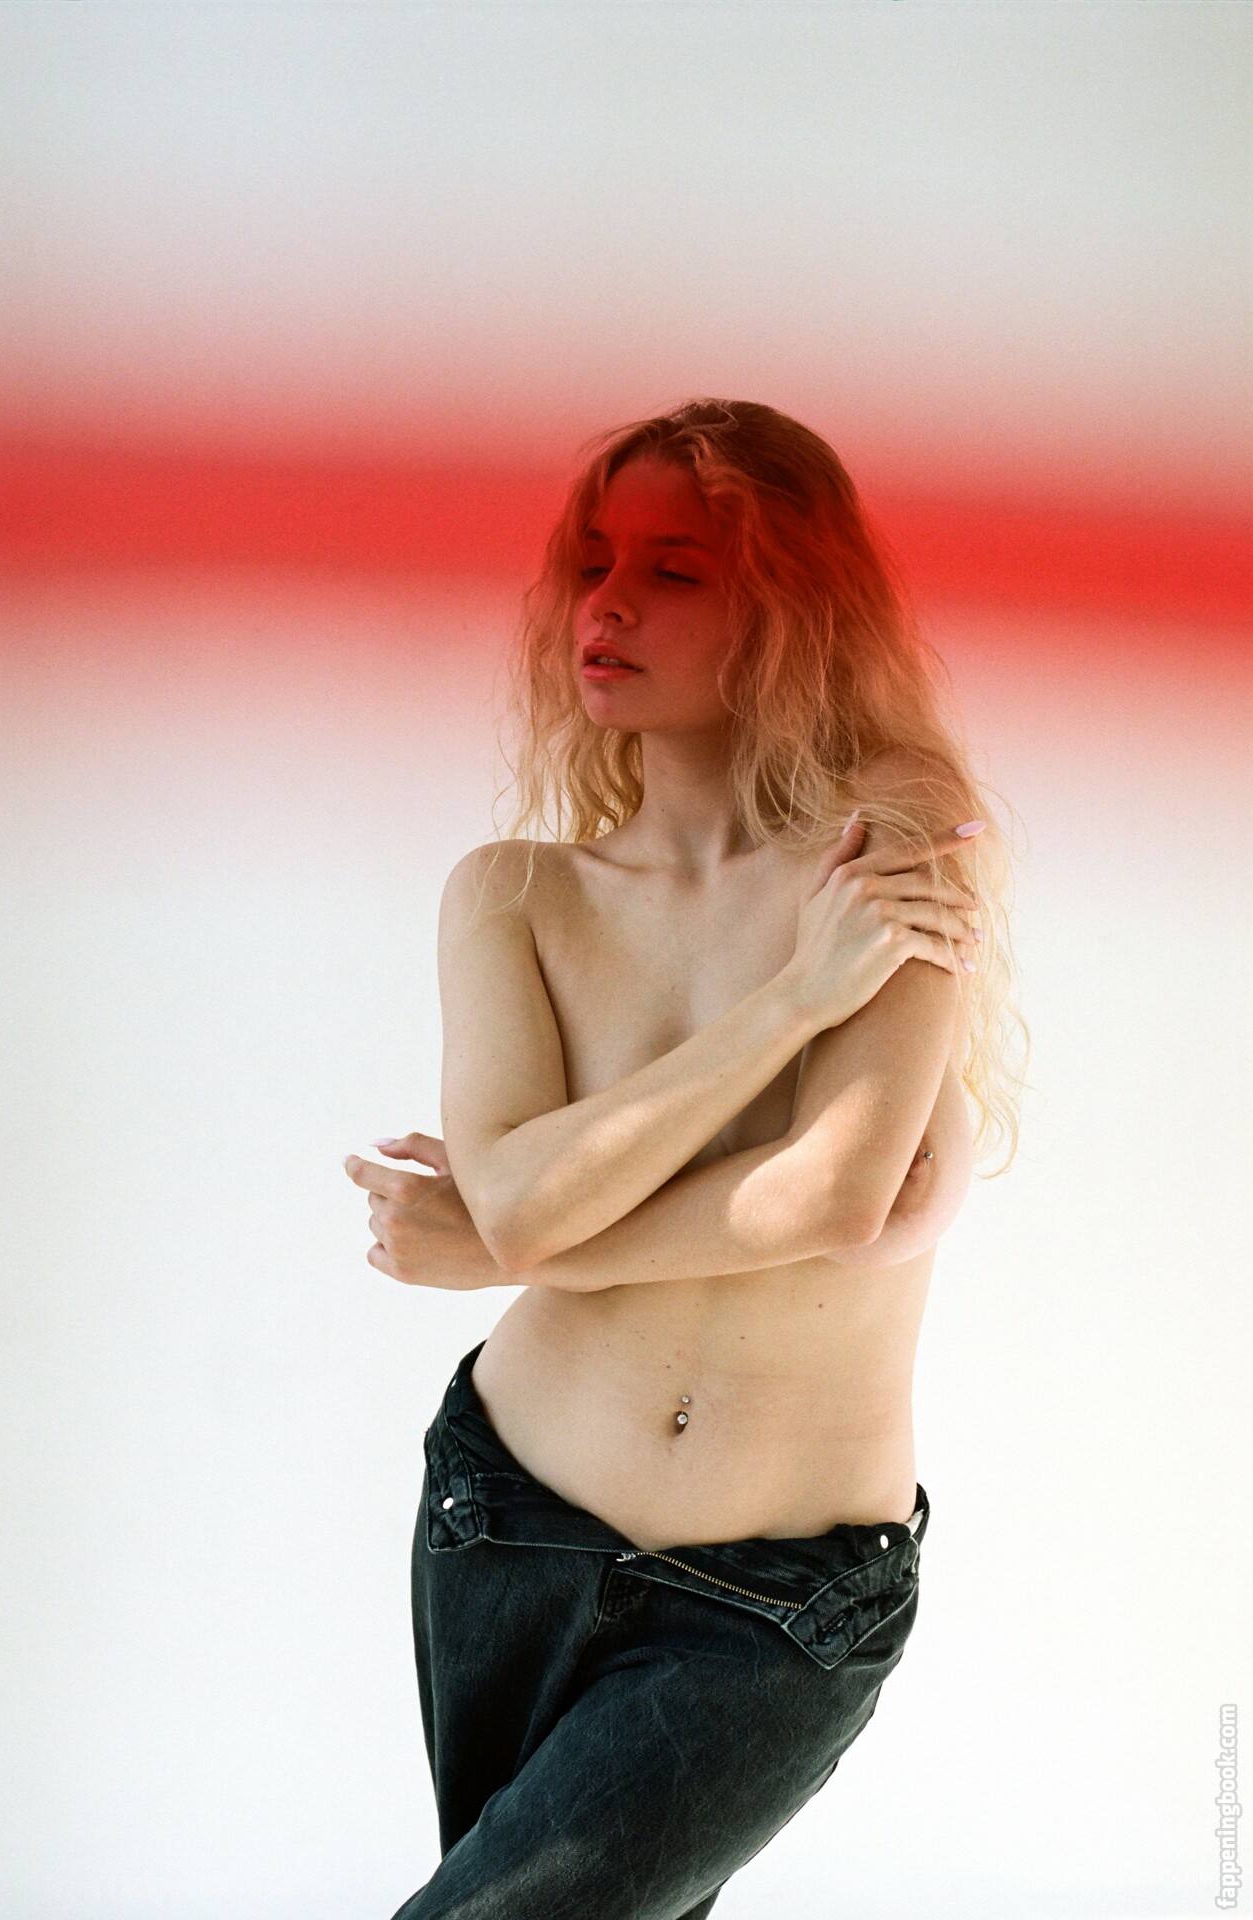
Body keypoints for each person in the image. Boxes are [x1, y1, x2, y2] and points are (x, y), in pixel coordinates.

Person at [344, 398, 1027, 1918]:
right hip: (506, 1519)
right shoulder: (511, 895)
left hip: (774, 1600)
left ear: (793, 610)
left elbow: (833, 1192)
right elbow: (523, 1198)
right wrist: (791, 1004)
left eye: (674, 570)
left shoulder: (896, 839)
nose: (605, 605)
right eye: (592, 564)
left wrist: (508, 1239)